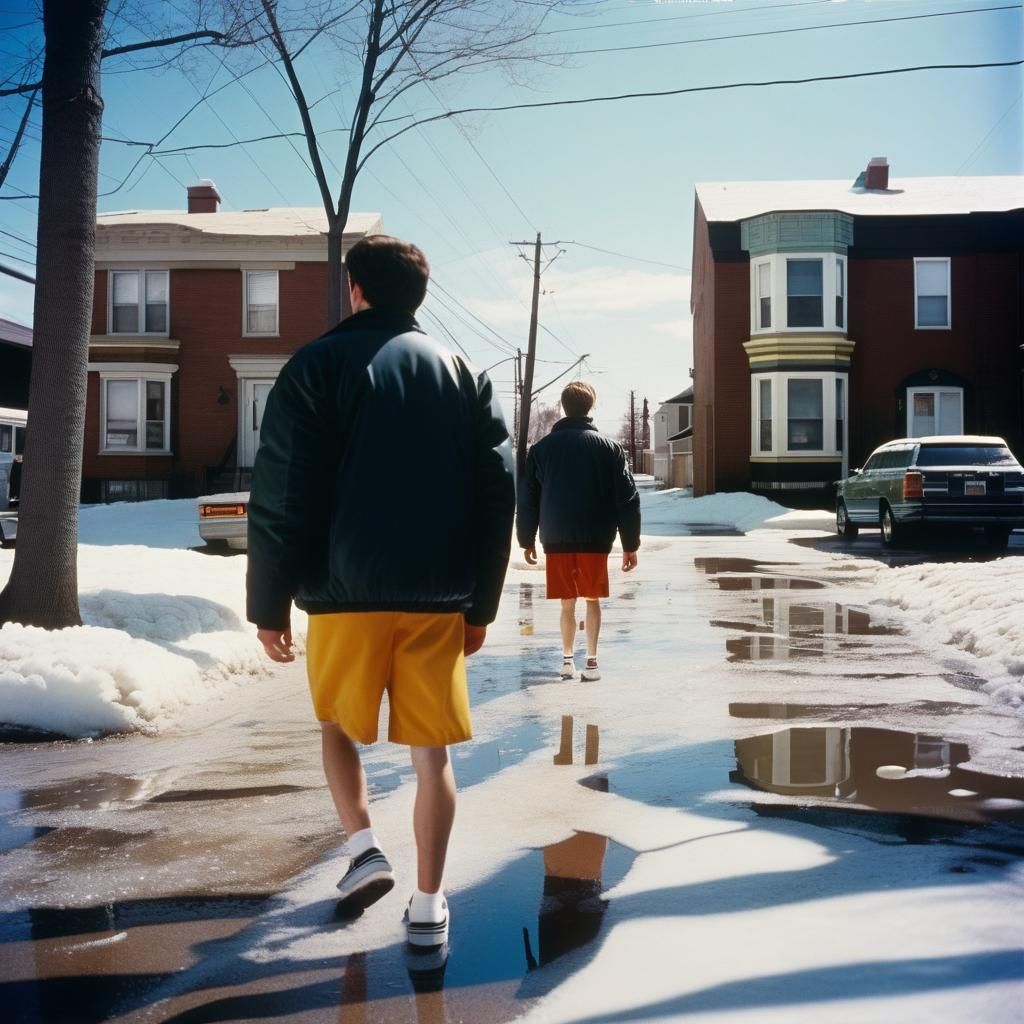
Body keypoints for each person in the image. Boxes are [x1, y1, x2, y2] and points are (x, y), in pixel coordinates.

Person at [246, 235, 516, 948]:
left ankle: (364, 848)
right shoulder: (464, 372)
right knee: (433, 754)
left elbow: (282, 489)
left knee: (337, 726)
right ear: (418, 294)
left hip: (345, 592)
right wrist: (482, 604)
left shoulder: (315, 364)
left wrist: (269, 602)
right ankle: (429, 906)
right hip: (438, 596)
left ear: (356, 288)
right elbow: (497, 495)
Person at [516, 381, 640, 681]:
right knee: (592, 600)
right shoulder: (610, 449)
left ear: (564, 407)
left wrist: (526, 539)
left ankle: (567, 661)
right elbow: (627, 498)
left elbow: (528, 497)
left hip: (556, 536)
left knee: (567, 603)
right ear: (590, 407)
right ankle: (592, 663)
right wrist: (630, 544)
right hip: (595, 537)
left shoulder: (542, 449)